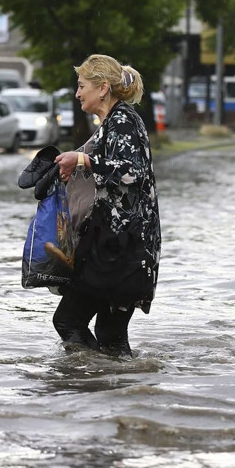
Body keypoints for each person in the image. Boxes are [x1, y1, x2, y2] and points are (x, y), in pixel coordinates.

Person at [52, 54, 161, 357]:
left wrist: (82, 159)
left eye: (81, 85)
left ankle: (91, 386)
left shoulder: (123, 120)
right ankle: (118, 392)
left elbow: (130, 171)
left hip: (121, 250)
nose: (77, 93)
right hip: (122, 248)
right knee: (110, 336)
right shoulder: (114, 121)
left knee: (69, 320)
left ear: (102, 88)